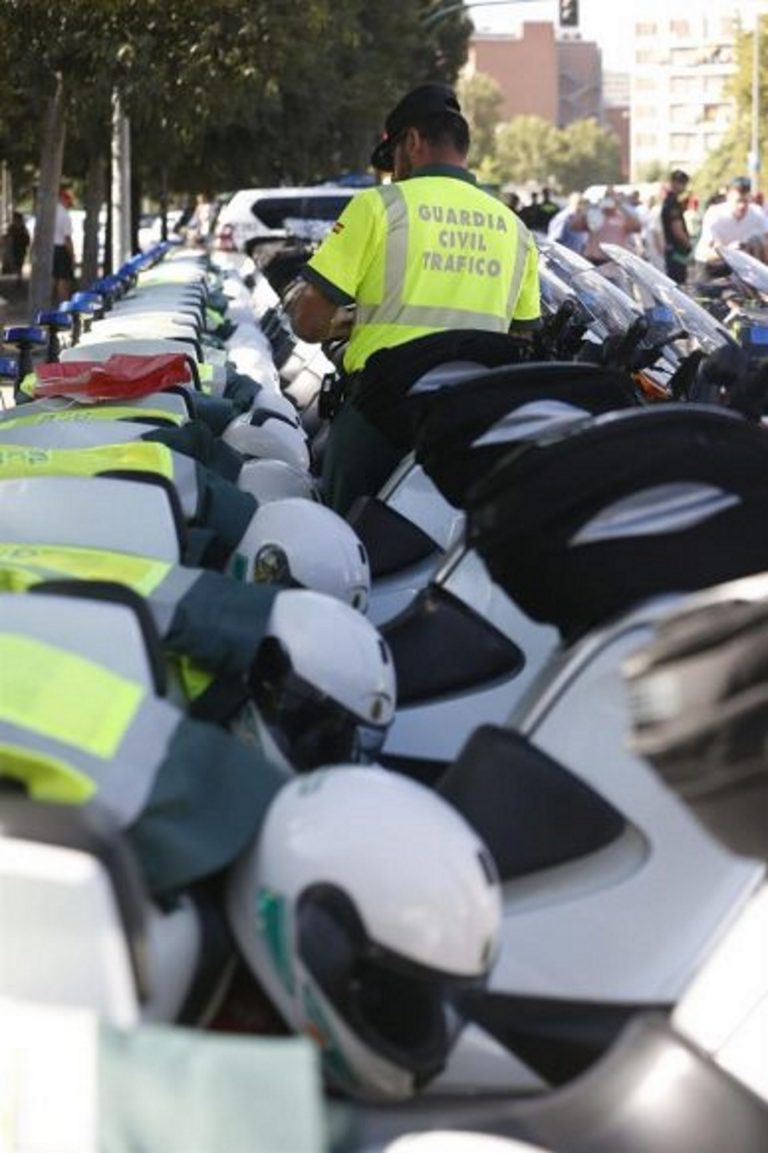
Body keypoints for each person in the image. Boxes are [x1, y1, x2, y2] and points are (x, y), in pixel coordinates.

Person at [286, 83, 540, 514]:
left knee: (341, 541)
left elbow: (308, 324)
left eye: (393, 160)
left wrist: (337, 322)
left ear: (414, 142)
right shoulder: (514, 228)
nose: (393, 173)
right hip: (471, 422)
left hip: (381, 417)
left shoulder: (379, 206)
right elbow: (523, 336)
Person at [694, 176, 768, 279]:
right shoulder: (715, 214)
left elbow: (765, 241)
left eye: (746, 201)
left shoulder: (757, 213)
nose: (742, 206)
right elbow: (707, 253)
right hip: (710, 265)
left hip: (736, 264)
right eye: (738, 201)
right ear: (728, 197)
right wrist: (728, 251)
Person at [582, 188, 642, 265]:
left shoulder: (623, 216)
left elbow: (637, 227)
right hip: (593, 260)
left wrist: (621, 206)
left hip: (613, 262)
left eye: (611, 198)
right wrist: (594, 206)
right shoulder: (594, 214)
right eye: (607, 197)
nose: (609, 201)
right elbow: (575, 226)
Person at [661, 169, 692, 285]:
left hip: (671, 250)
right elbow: (677, 230)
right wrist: (688, 244)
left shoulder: (668, 201)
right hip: (677, 252)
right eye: (683, 183)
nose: (684, 187)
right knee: (678, 283)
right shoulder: (673, 203)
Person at [52, 184, 75, 304]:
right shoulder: (64, 215)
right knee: (63, 279)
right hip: (61, 249)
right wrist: (72, 255)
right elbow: (67, 238)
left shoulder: (51, 212)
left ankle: (51, 300)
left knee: (54, 278)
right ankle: (63, 303)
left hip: (51, 248)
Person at [3, 211, 30, 286]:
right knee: (18, 264)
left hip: (17, 249)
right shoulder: (22, 228)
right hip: (18, 249)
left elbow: (8, 237)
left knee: (18, 264)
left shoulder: (17, 228)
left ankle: (18, 277)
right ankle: (18, 277)